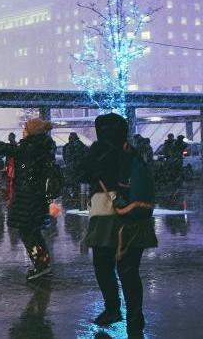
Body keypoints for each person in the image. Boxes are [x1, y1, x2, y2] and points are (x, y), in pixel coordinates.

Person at [80, 113, 157, 335]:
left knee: (103, 266)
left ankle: (112, 308)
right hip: (134, 215)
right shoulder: (131, 152)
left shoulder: (99, 150)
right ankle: (135, 317)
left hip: (106, 213)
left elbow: (82, 173)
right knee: (130, 270)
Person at [0, 118, 56, 281]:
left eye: (25, 129)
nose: (23, 131)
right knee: (33, 232)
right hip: (36, 196)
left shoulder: (30, 147)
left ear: (32, 131)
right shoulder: (41, 146)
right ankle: (43, 263)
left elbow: (4, 148)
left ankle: (40, 265)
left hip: (28, 197)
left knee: (28, 233)